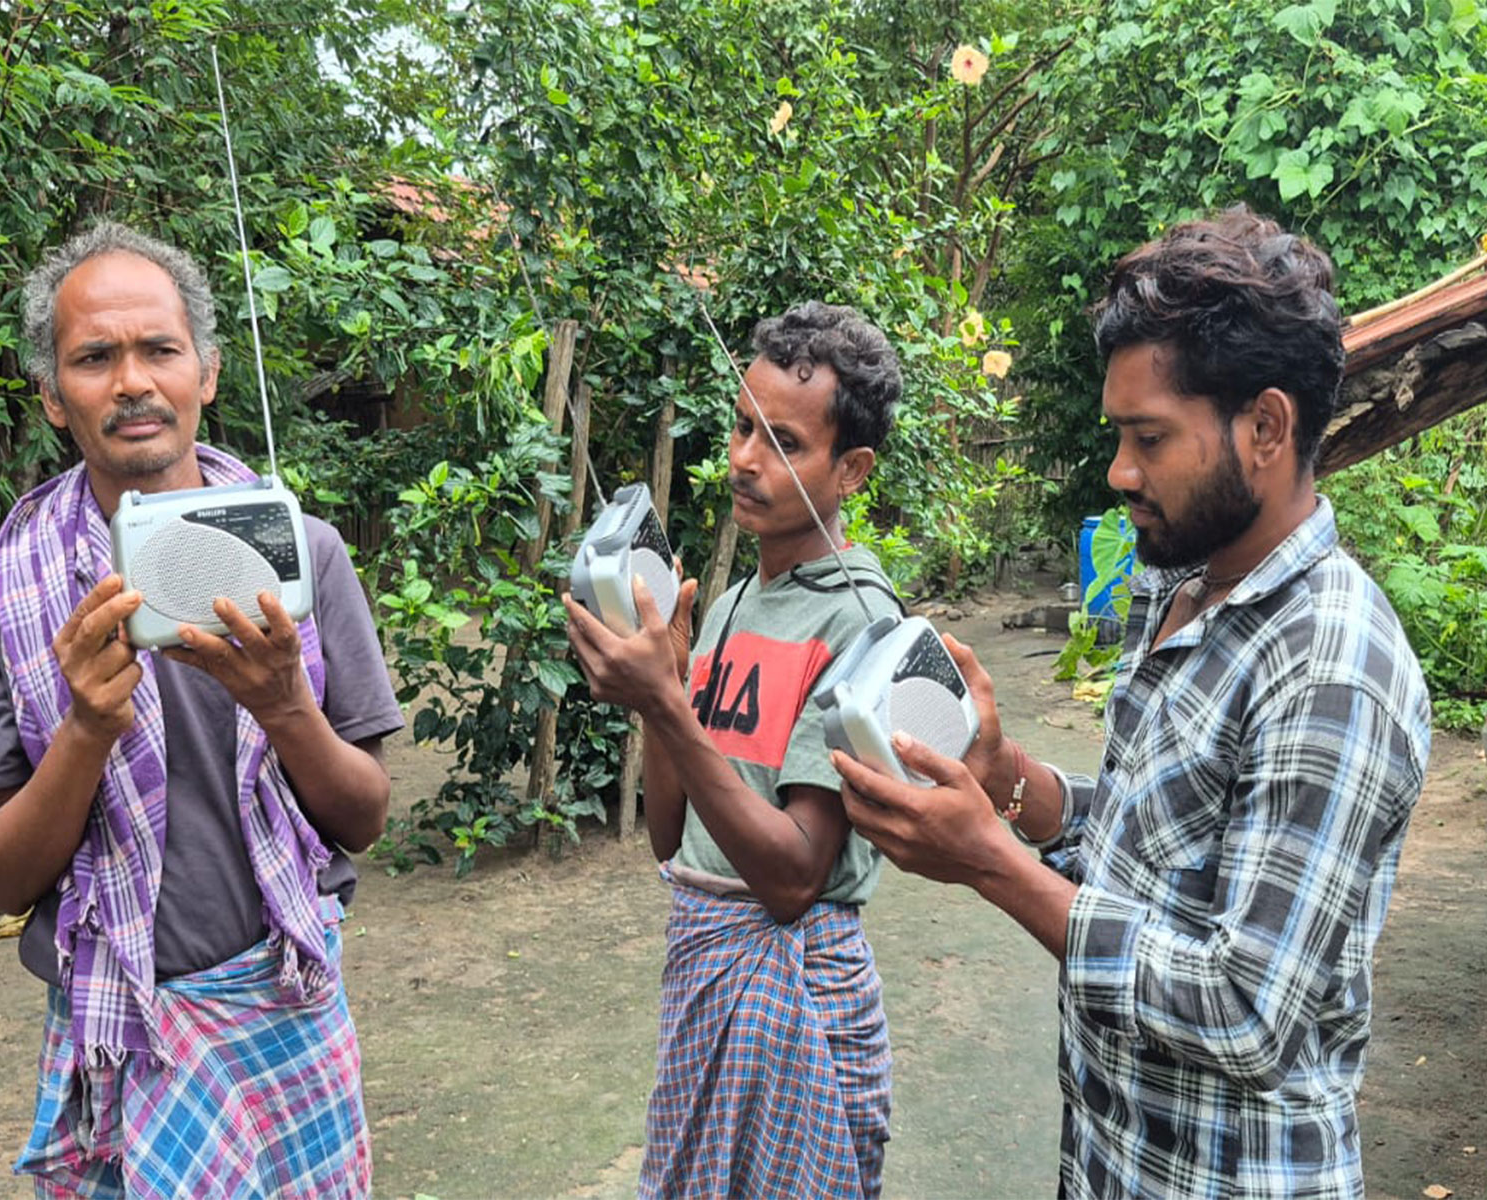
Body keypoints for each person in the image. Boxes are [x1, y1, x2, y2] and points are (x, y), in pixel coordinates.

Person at [833, 206, 1432, 1199]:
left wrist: (989, 863)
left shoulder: (1331, 669)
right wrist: (1004, 780)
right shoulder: (1180, 580)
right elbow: (1150, 839)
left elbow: (1244, 1008)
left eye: (1148, 438)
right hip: (1116, 1163)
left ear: (1267, 427)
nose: (1119, 472)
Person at [0, 222, 402, 1197]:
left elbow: (361, 816)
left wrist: (286, 708)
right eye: (94, 358)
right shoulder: (1, 591)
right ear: (54, 400)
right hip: (117, 1031)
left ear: (209, 373)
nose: (132, 381)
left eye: (159, 349)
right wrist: (85, 731)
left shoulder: (303, 557)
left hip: (286, 1006)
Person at [564, 300, 903, 1198]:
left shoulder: (861, 624)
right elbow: (672, 840)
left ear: (853, 468)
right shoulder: (724, 608)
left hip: (797, 994)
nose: (747, 459)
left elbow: (794, 877)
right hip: (709, 975)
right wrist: (666, 694)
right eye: (743, 427)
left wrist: (666, 707)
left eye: (785, 442)